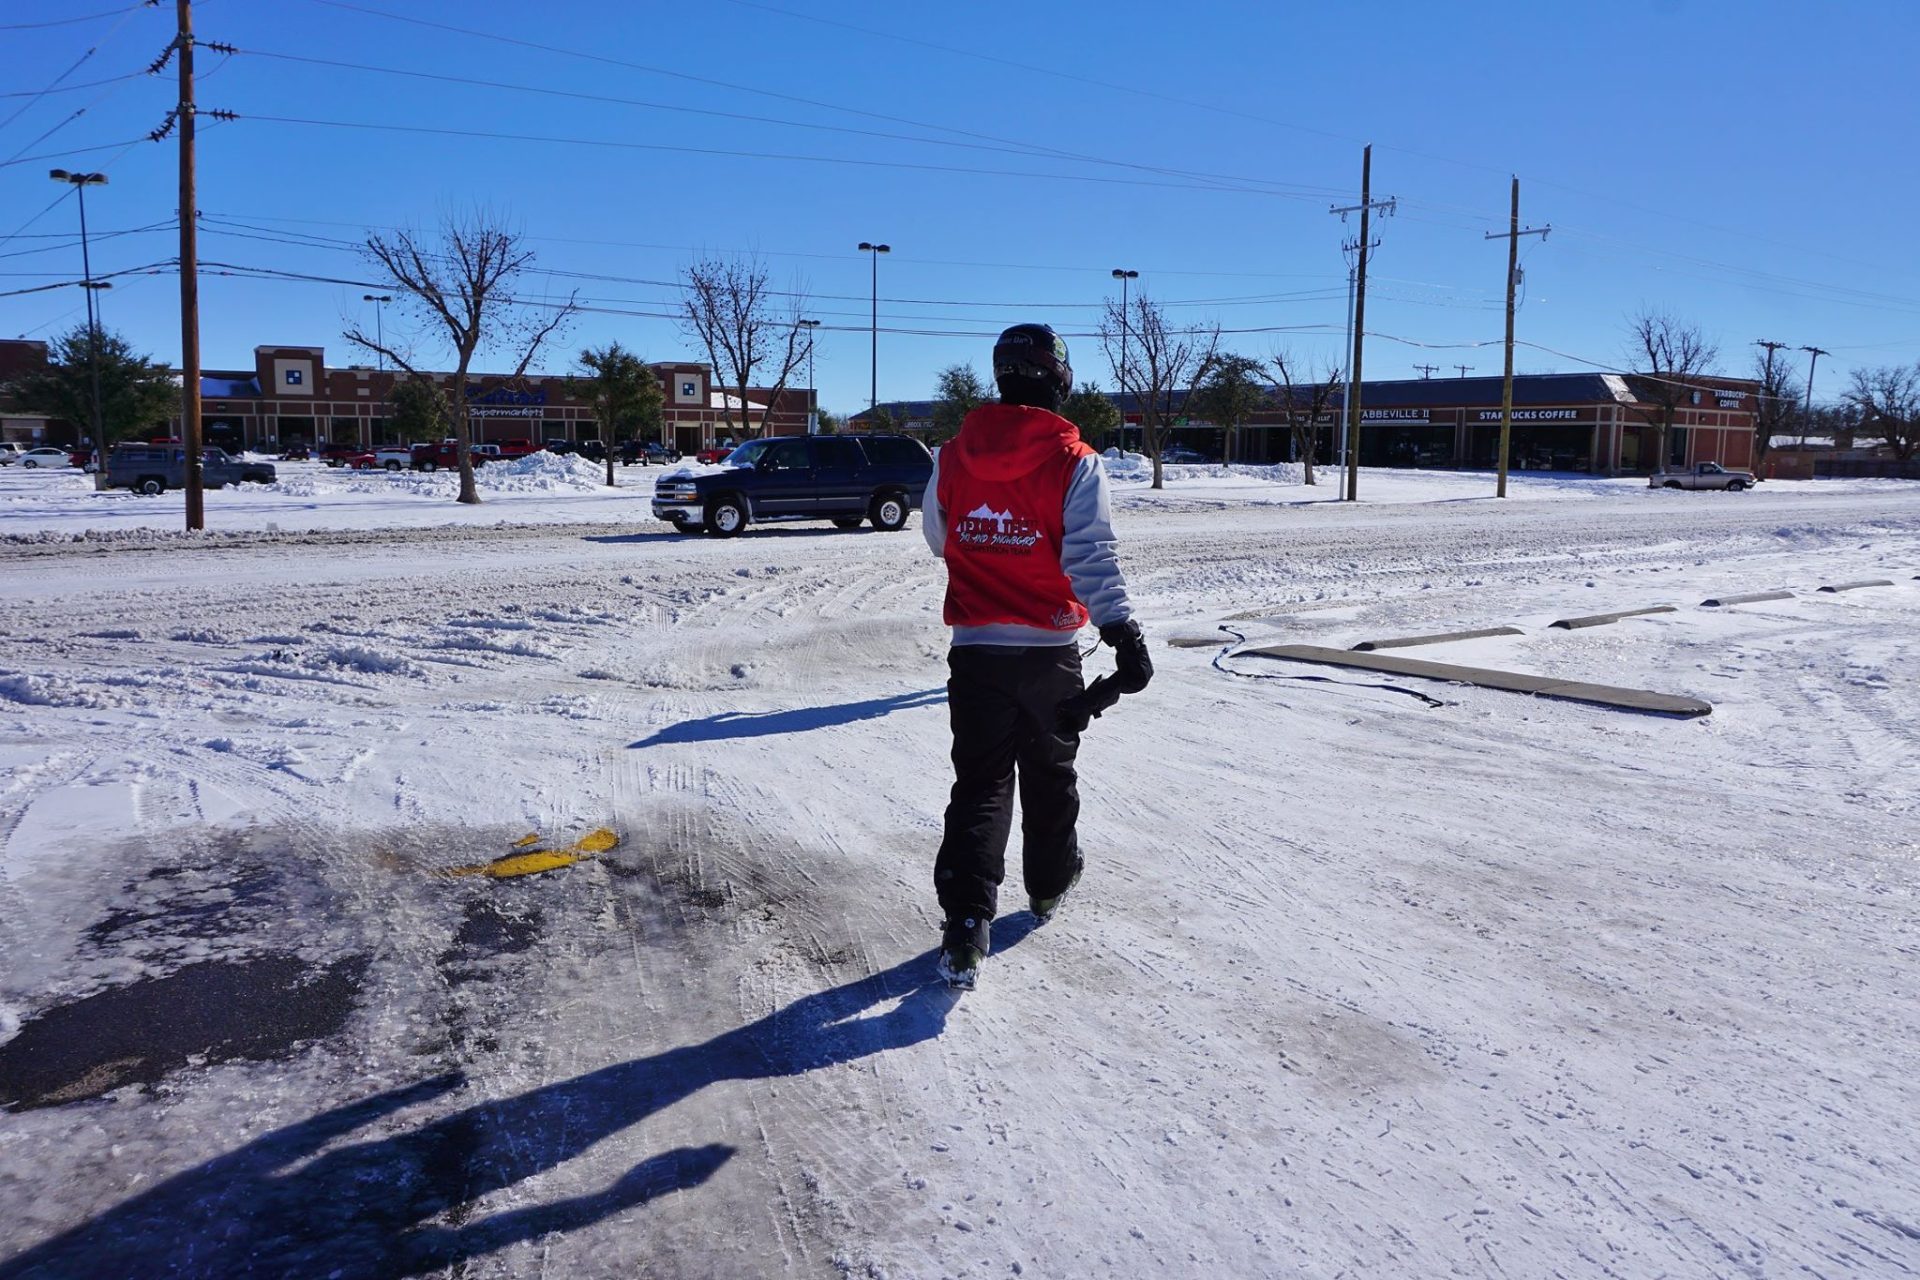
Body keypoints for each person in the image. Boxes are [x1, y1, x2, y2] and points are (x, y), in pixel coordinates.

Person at [921, 323, 1153, 988]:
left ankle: (966, 927)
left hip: (977, 654)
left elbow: (939, 540)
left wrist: (990, 540)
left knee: (982, 784)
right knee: (1050, 775)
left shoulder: (951, 456)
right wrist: (1122, 634)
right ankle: (1048, 886)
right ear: (1060, 378)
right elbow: (1088, 555)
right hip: (1051, 651)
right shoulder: (1075, 460)